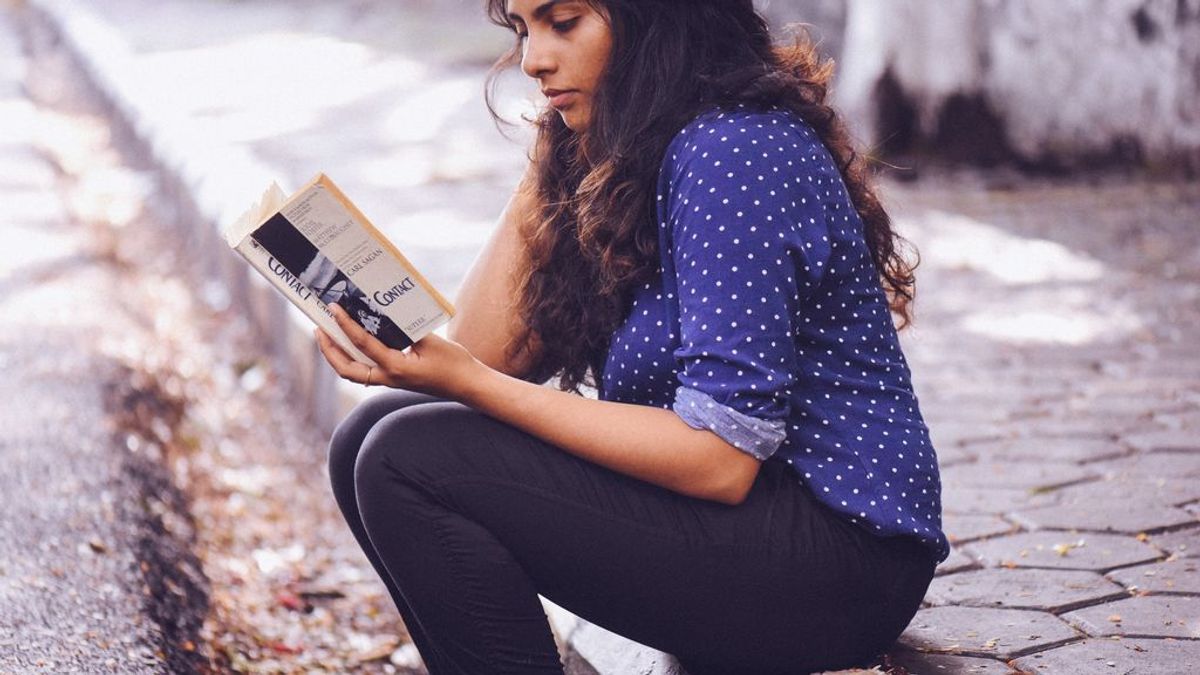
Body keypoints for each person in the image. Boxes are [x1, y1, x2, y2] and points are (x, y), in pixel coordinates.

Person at [317, 1, 950, 673]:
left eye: (562, 23)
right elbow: (481, 351)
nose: (532, 61)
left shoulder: (736, 151)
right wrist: (550, 161)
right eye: (523, 30)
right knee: (374, 430)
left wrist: (466, 380)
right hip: (746, 522)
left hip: (837, 559)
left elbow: (719, 457)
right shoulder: (630, 149)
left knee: (406, 455)